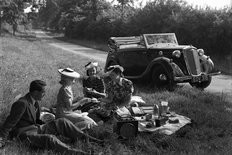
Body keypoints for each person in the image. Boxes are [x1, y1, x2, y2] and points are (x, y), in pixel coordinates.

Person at [0, 80, 102, 154]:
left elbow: (34, 120)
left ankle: (89, 139)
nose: (45, 94)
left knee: (62, 121)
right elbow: (9, 124)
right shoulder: (22, 104)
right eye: (43, 92)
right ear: (35, 92)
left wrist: (47, 119)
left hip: (35, 128)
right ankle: (77, 153)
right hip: (23, 135)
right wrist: (2, 140)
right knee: (50, 139)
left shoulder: (35, 102)